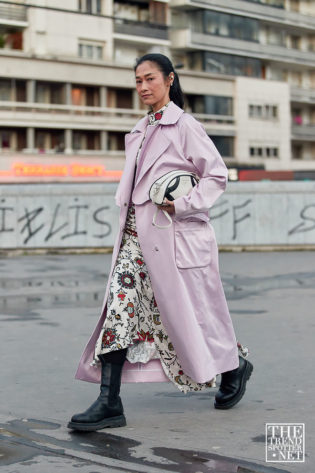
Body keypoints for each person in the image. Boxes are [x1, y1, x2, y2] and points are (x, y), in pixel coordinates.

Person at [68, 53, 253, 432]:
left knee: (195, 314)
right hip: (135, 239)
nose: (142, 87)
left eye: (149, 79)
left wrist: (183, 205)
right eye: (137, 81)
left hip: (175, 236)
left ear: (169, 79)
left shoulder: (185, 125)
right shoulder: (138, 130)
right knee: (118, 309)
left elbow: (216, 175)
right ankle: (109, 402)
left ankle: (235, 366)